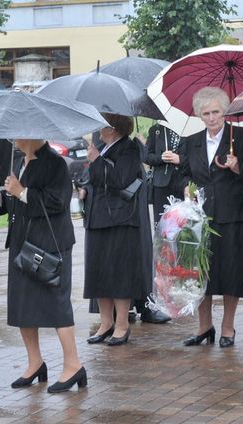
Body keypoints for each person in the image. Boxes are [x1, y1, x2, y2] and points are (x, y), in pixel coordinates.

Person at [0, 139, 85, 393]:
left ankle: (73, 365)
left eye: (20, 132)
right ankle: (35, 362)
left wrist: (22, 192)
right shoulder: (18, 160)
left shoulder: (56, 163)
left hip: (50, 244)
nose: (14, 137)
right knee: (22, 304)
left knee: (56, 303)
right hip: (21, 242)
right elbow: (14, 202)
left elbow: (56, 202)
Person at [178, 87, 243, 348]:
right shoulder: (191, 141)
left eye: (216, 112)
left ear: (225, 112)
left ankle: (227, 327)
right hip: (202, 217)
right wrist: (187, 188)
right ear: (200, 116)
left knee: (232, 272)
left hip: (234, 215)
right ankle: (204, 327)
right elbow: (185, 174)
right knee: (202, 274)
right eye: (206, 113)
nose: (211, 118)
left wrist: (238, 169)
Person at [81, 113, 148, 346]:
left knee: (119, 273)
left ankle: (121, 325)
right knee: (100, 272)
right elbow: (95, 179)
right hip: (98, 218)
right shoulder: (105, 147)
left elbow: (120, 179)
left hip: (119, 219)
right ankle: (105, 322)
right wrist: (84, 188)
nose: (99, 130)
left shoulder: (128, 148)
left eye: (103, 126)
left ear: (114, 128)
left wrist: (97, 160)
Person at [144, 122, 185, 223]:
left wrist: (180, 159)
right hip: (161, 184)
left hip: (184, 183)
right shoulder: (156, 130)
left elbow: (197, 157)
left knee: (183, 225)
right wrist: (161, 158)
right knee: (162, 224)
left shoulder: (191, 130)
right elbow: (146, 156)